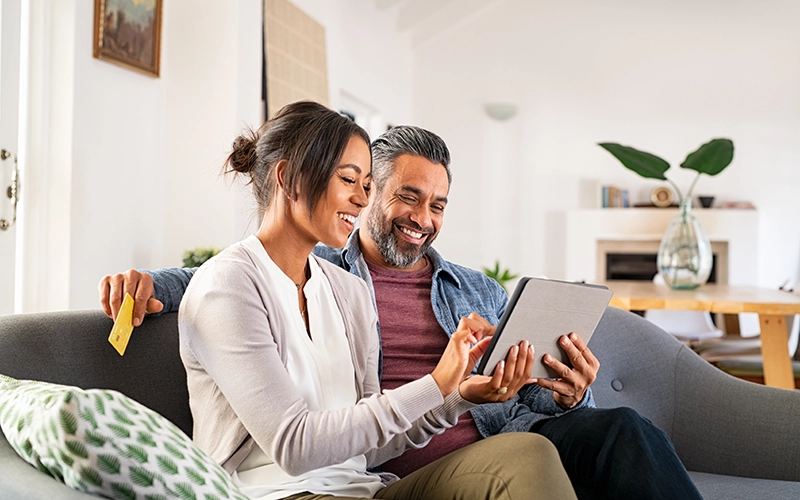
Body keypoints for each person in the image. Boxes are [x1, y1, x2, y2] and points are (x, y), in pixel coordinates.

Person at [100, 123, 702, 499]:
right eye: (404, 195)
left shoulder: (467, 290)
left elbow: (519, 394)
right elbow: (235, 277)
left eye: (438, 203)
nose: (423, 217)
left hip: (468, 441)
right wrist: (151, 285)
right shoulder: (328, 271)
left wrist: (564, 392)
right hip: (396, 463)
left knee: (622, 431)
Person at [164, 100, 575, 500]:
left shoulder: (348, 291)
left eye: (366, 185)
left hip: (366, 489)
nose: (362, 200)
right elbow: (293, 446)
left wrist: (458, 394)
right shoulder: (228, 285)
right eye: (348, 180)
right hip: (276, 493)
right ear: (289, 178)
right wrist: (434, 383)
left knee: (528, 454)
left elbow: (373, 447)